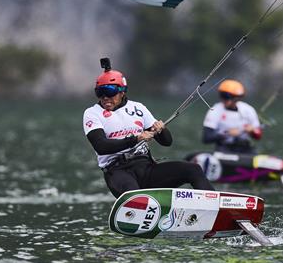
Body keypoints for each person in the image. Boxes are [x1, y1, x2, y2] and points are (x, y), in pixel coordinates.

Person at [84, 59, 214, 197]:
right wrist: (136, 138)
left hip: (147, 168)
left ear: (122, 91)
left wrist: (161, 130)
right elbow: (101, 146)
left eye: (109, 91)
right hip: (117, 171)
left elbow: (166, 141)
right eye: (100, 92)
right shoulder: (92, 113)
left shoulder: (138, 108)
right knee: (135, 195)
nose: (105, 97)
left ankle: (215, 206)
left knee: (193, 169)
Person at [201, 79, 262, 154]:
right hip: (224, 149)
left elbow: (258, 136)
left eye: (226, 97)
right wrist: (226, 134)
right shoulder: (214, 111)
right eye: (222, 96)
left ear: (236, 98)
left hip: (245, 148)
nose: (223, 99)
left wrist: (253, 131)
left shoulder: (248, 110)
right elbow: (206, 138)